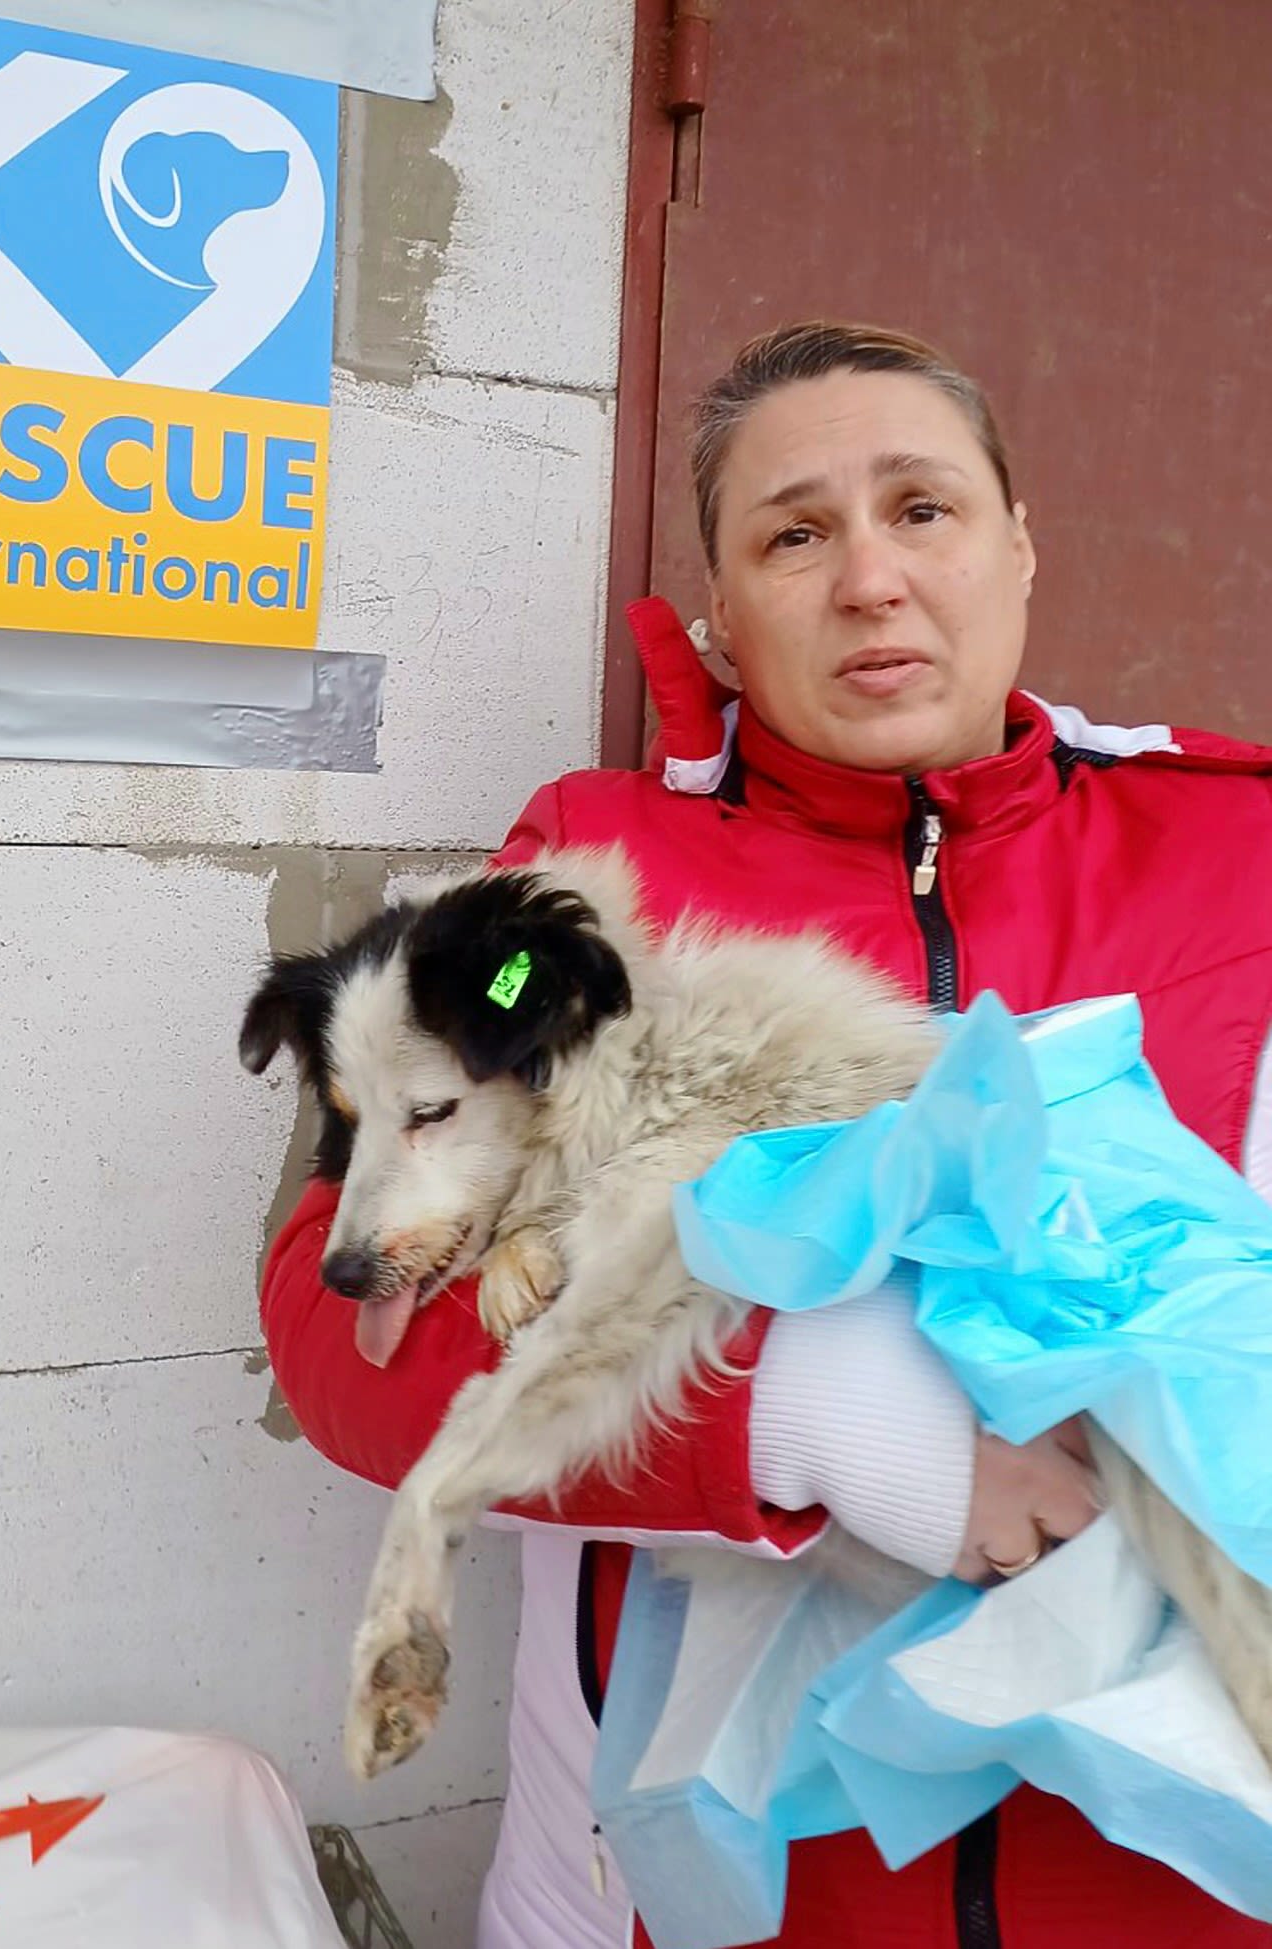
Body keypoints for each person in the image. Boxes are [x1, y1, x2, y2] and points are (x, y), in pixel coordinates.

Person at [262, 322, 1272, 1948]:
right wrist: (823, 1416)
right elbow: (336, 1334)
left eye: (922, 508)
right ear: (723, 617)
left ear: (1022, 547)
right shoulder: (584, 877)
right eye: (794, 532)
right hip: (715, 1888)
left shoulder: (1242, 844)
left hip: (1180, 1869)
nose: (870, 578)